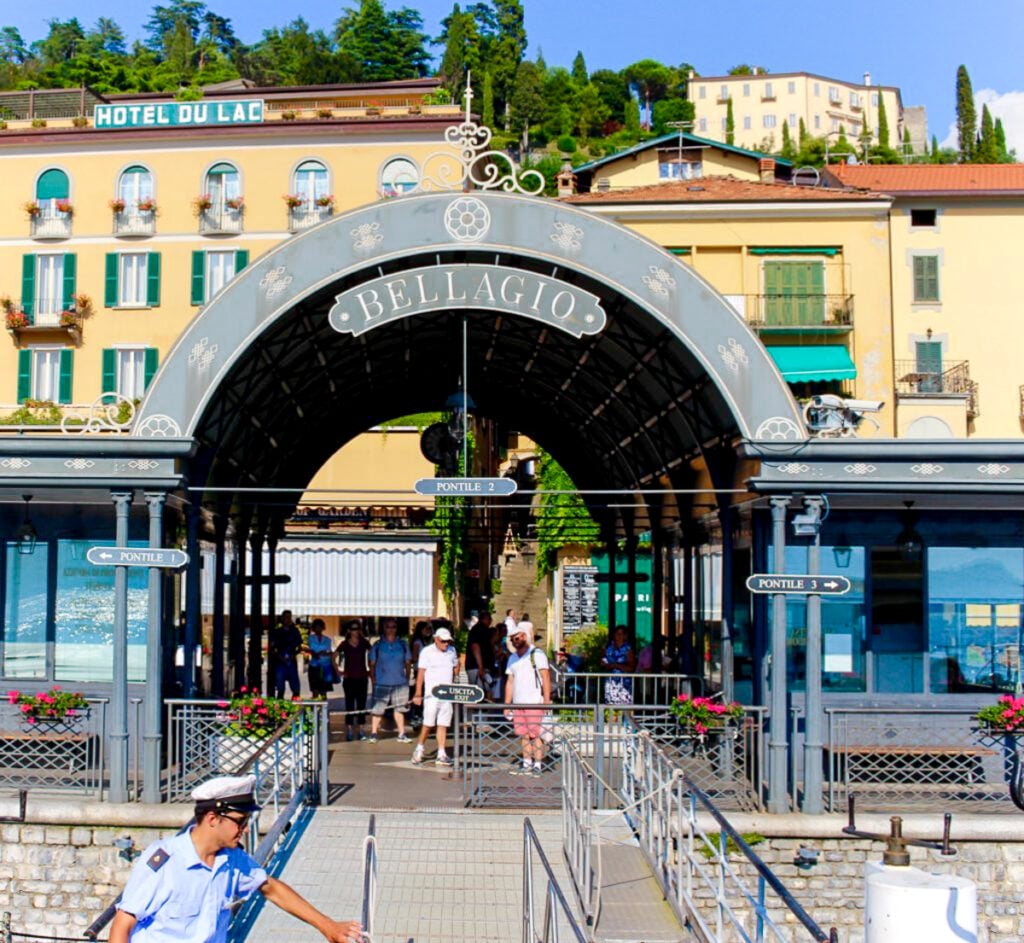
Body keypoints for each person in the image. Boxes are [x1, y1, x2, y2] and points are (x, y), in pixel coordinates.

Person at [109, 775, 362, 943]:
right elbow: (122, 925)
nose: (245, 830)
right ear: (212, 819)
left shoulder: (231, 859)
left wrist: (327, 925)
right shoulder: (165, 860)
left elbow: (270, 887)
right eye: (240, 822)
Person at [504, 621, 552, 777]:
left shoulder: (536, 654)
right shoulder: (512, 658)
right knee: (523, 735)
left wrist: (546, 701)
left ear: (524, 636)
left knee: (535, 734)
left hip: (534, 702)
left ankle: (538, 765)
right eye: (512, 639)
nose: (515, 641)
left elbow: (546, 677)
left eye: (517, 638)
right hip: (519, 703)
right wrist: (507, 704)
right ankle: (526, 763)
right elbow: (510, 681)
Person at [410, 627, 458, 767]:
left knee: (443, 723)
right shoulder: (427, 652)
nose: (446, 644)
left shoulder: (452, 651)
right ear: (436, 639)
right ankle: (419, 748)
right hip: (432, 694)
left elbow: (455, 666)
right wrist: (418, 693)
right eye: (443, 641)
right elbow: (421, 673)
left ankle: (441, 753)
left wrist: (453, 680)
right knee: (428, 723)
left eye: (448, 641)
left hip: (447, 693)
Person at [367, 619, 412, 743]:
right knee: (378, 709)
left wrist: (407, 678)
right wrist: (373, 679)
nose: (391, 629)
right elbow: (372, 663)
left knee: (400, 709)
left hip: (400, 682)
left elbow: (408, 662)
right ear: (384, 628)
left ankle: (401, 733)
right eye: (388, 627)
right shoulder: (378, 645)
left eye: (393, 627)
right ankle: (374, 733)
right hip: (382, 682)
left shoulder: (403, 644)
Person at [335, 621, 370, 741]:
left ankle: (361, 730)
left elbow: (372, 654)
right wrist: (339, 671)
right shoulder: (344, 644)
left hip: (362, 677)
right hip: (349, 678)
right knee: (349, 704)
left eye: (357, 629)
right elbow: (333, 656)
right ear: (349, 630)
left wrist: (371, 669)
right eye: (353, 629)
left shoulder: (364, 642)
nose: (355, 631)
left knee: (361, 704)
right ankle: (349, 730)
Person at [269, 611, 303, 700]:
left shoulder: (295, 631)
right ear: (282, 619)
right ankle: (280, 703)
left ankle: (295, 701)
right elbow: (272, 648)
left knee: (295, 685)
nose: (288, 619)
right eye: (286, 617)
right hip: (280, 662)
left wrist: (293, 654)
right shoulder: (276, 632)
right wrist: (279, 657)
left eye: (289, 617)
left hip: (291, 661)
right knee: (280, 683)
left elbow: (299, 646)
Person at [602, 625, 636, 704]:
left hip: (624, 682)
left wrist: (616, 665)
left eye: (621, 634)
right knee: (610, 705)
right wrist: (604, 662)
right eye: (617, 634)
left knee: (625, 705)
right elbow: (602, 658)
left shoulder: (628, 649)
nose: (619, 636)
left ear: (625, 636)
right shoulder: (609, 647)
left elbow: (631, 667)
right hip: (610, 681)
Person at [466, 611, 496, 696]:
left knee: (483, 693)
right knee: (479, 694)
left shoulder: (481, 629)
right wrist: (480, 666)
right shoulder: (479, 629)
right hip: (477, 667)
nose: (491, 621)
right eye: (490, 619)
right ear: (486, 619)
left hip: (480, 667)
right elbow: (475, 646)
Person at [305, 619, 335, 700]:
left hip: (326, 666)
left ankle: (324, 710)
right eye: (316, 627)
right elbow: (309, 649)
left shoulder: (328, 639)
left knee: (324, 691)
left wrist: (326, 653)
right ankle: (314, 711)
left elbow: (330, 651)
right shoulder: (310, 638)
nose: (318, 629)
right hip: (314, 666)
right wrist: (314, 653)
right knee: (315, 690)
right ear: (314, 628)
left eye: (320, 627)